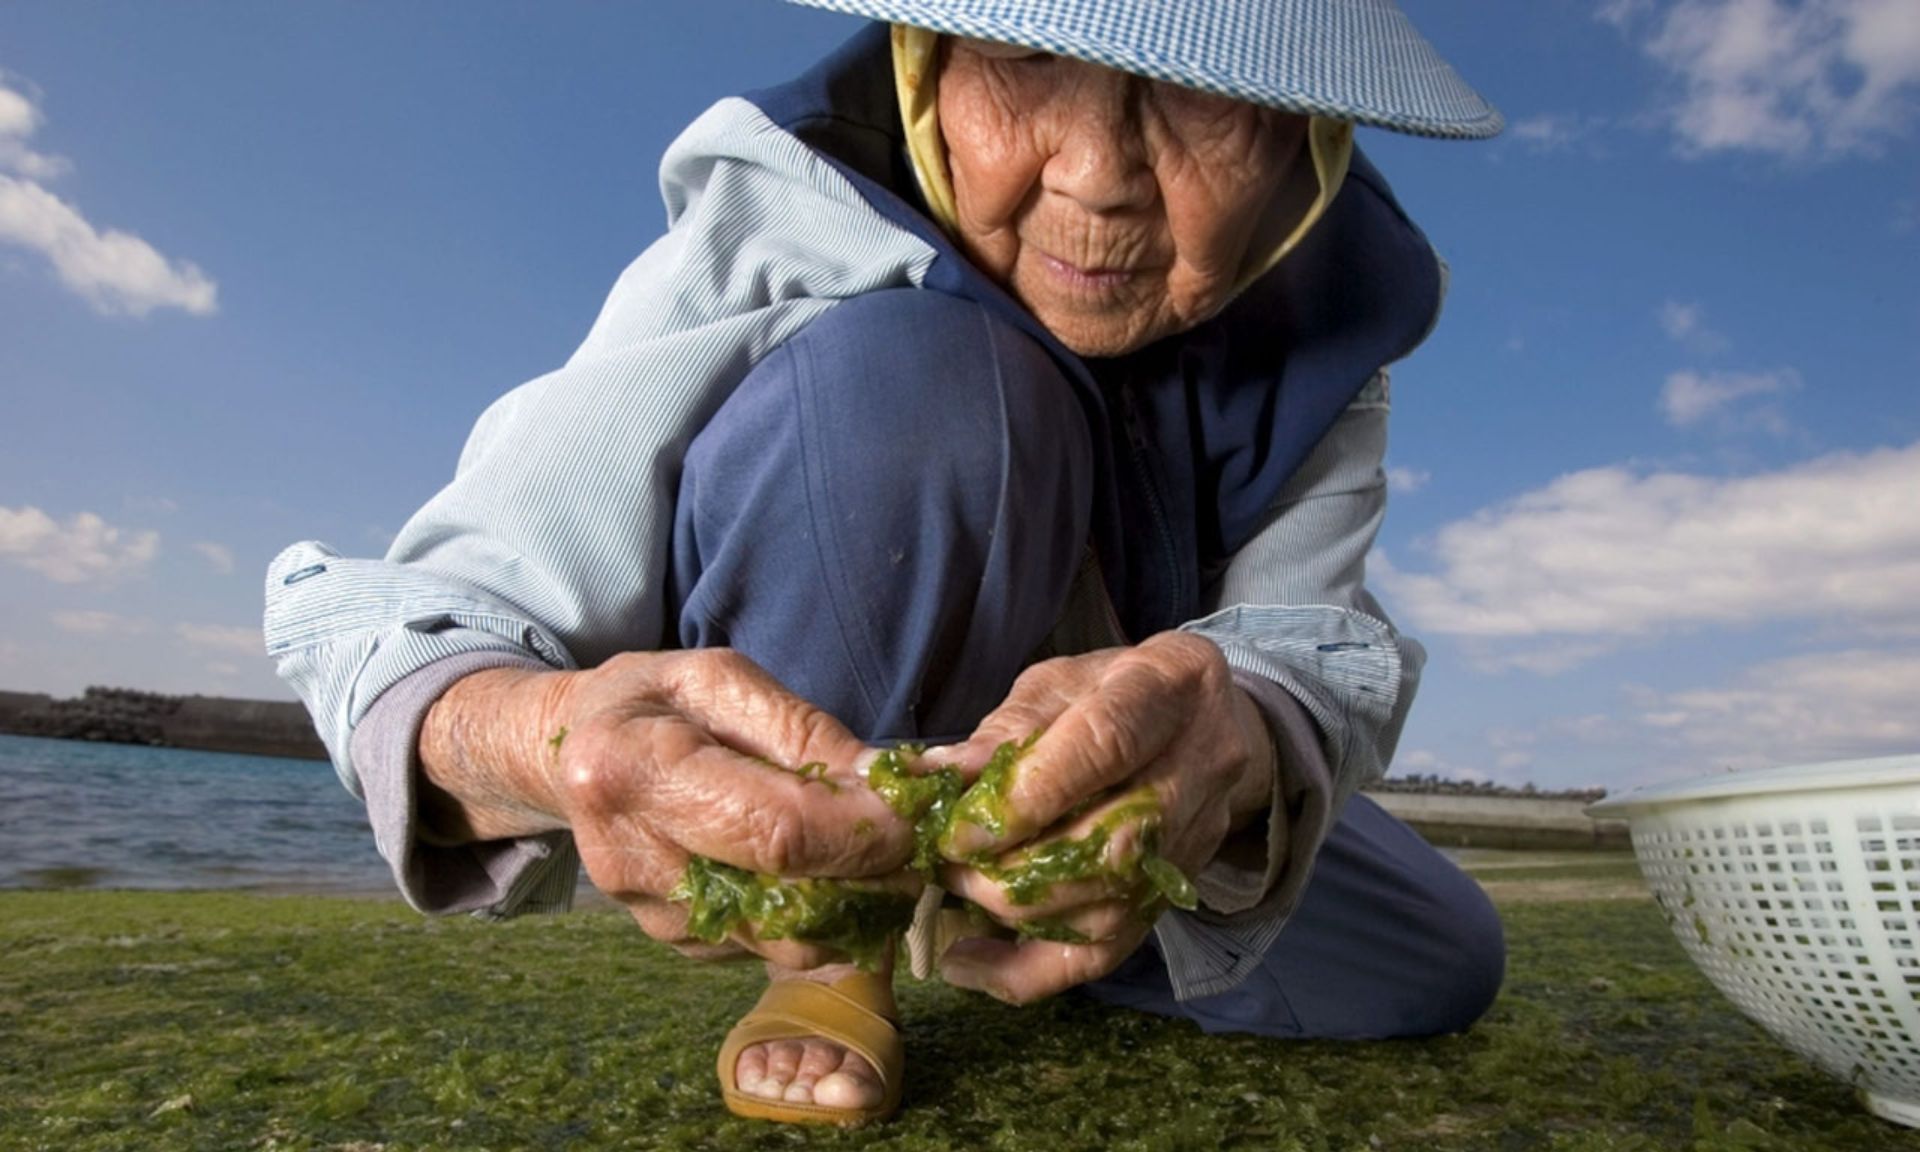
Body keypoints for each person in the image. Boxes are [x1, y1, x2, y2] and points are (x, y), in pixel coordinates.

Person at [265, 0, 1508, 1127]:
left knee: (1437, 958)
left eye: (1204, 98)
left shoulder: (1332, 314)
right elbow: (428, 616)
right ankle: (833, 951)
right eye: (1025, 60)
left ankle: (1030, 910)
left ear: (1309, 143)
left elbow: (1304, 632)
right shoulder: (782, 213)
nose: (1098, 177)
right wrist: (537, 733)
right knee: (925, 387)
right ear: (926, 61)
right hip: (829, 727)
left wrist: (1236, 742)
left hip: (1098, 791)